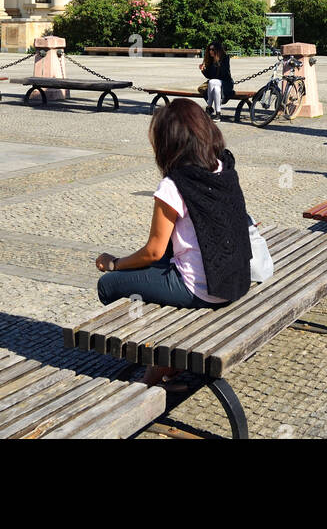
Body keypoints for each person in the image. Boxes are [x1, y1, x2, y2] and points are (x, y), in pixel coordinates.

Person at [95, 98, 252, 385]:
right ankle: (162, 366)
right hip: (234, 281)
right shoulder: (223, 166)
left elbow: (154, 251)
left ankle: (151, 352)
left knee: (108, 284)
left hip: (200, 289)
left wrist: (115, 264)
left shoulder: (173, 185)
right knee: (148, 272)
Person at [198, 40, 235, 119]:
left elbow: (224, 74)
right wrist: (203, 70)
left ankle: (209, 107)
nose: (210, 51)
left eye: (213, 50)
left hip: (226, 83)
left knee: (212, 82)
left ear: (218, 50)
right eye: (209, 50)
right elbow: (210, 76)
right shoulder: (210, 60)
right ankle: (218, 113)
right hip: (215, 84)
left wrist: (217, 62)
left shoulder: (225, 58)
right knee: (216, 89)